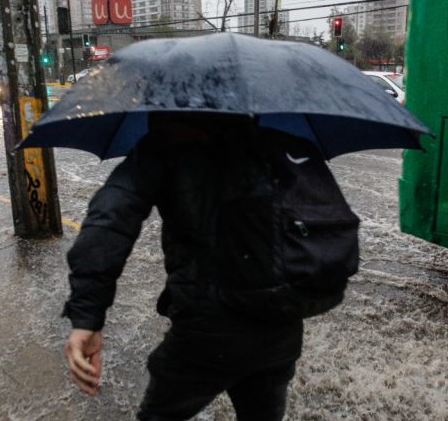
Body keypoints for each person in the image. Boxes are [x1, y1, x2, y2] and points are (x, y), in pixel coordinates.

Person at [63, 113, 306, 421]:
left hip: (206, 331)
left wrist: (87, 317)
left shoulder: (166, 142)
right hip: (279, 326)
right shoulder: (273, 138)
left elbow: (109, 220)